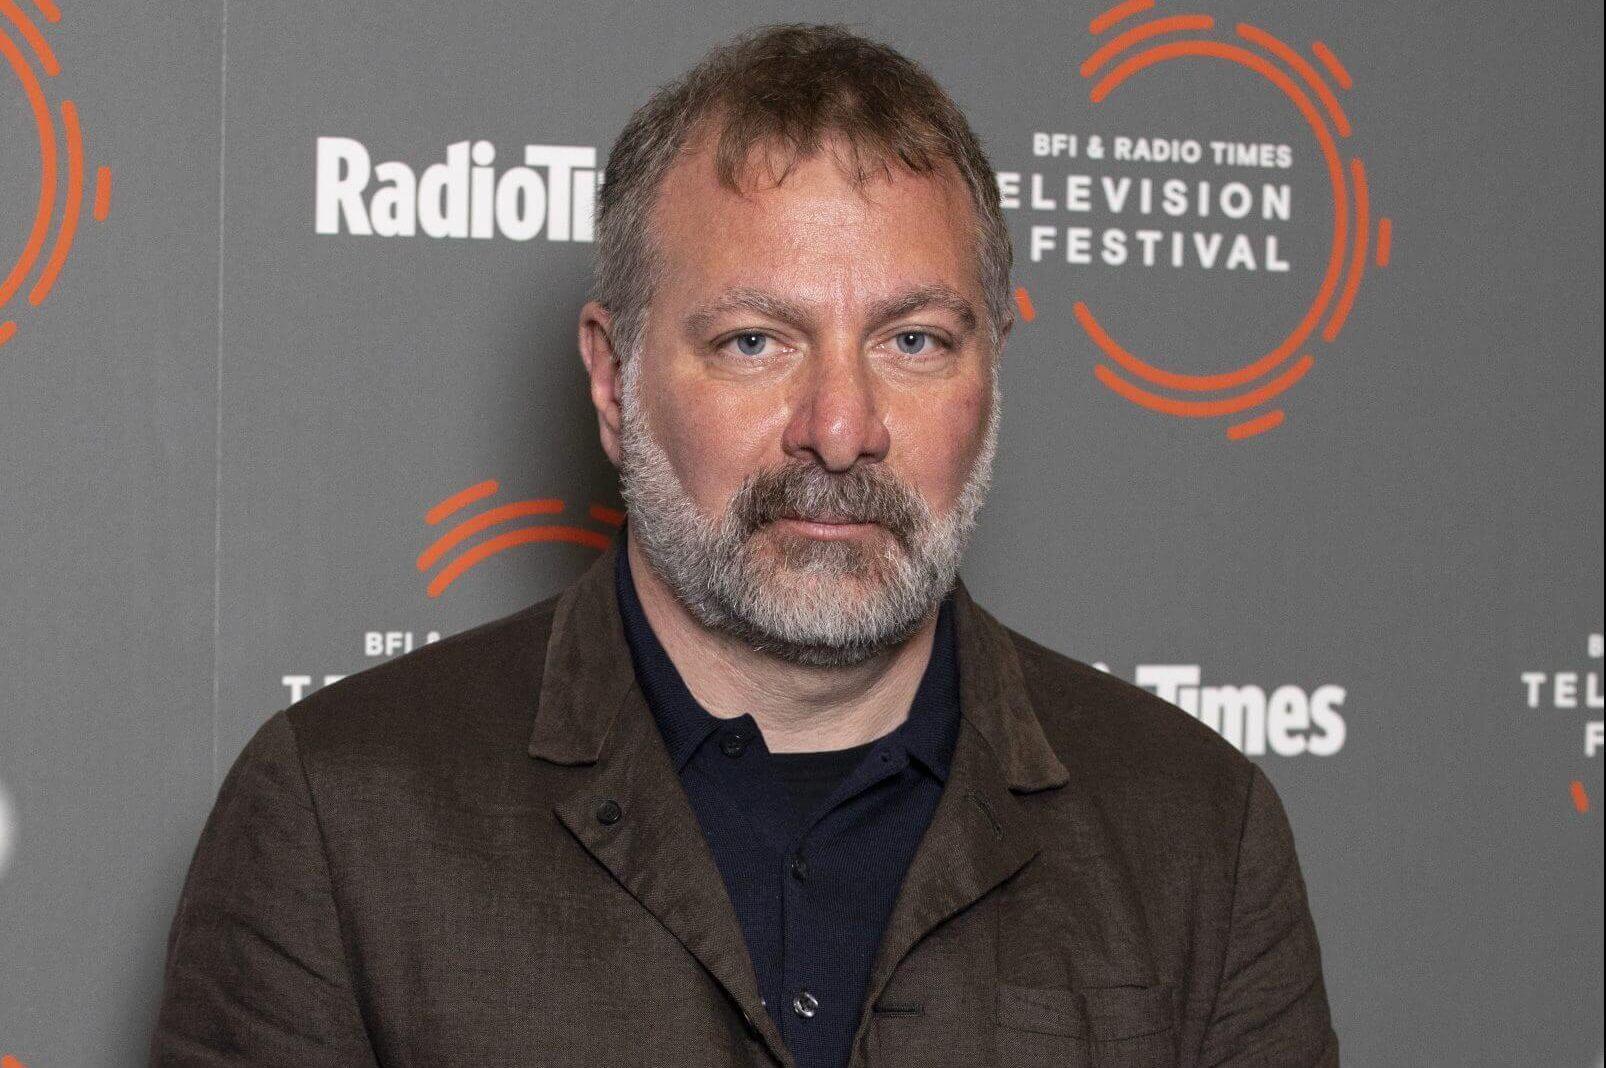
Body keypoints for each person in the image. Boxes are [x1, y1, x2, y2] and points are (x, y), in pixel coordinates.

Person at [149, 23, 1337, 1068]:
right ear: (613, 382)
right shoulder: (344, 818)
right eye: (756, 342)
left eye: (914, 341)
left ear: (992, 370)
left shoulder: (1196, 833)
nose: (840, 429)